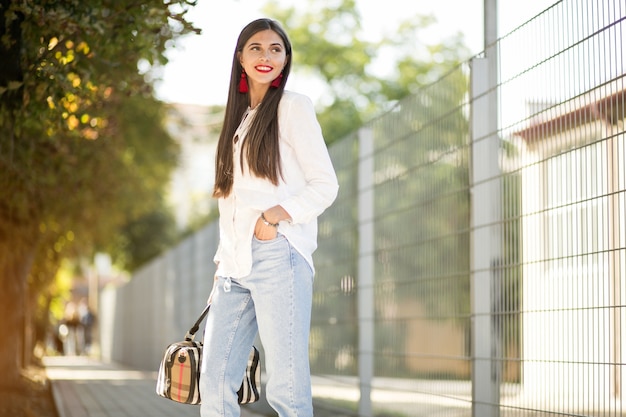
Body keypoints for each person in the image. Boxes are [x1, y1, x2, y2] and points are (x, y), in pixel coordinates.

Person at [200, 18, 339, 417]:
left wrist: (276, 215)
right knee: (214, 380)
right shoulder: (240, 121)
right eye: (256, 48)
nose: (266, 56)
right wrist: (221, 265)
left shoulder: (294, 107)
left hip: (278, 256)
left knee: (286, 385)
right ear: (240, 58)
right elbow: (231, 203)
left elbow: (324, 184)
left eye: (275, 49)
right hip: (233, 267)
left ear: (285, 59)